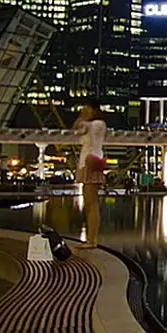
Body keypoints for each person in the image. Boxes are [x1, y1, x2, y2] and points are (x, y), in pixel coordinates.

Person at [72, 97, 107, 248]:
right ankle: (90, 239)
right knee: (88, 203)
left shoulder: (98, 124)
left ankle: (92, 240)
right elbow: (76, 129)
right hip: (86, 164)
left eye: (86, 108)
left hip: (91, 163)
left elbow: (84, 127)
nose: (83, 111)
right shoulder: (90, 124)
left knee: (92, 204)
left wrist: (83, 118)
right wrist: (82, 118)